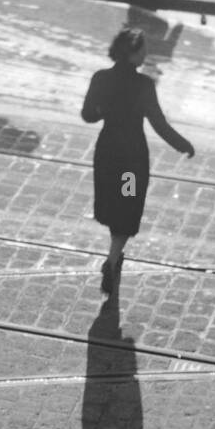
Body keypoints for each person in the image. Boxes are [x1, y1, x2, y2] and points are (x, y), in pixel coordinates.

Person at [81, 27, 194, 297]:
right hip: (131, 160)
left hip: (108, 154)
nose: (146, 53)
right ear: (133, 53)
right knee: (127, 205)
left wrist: (103, 109)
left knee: (113, 206)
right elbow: (158, 123)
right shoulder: (144, 85)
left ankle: (113, 257)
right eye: (142, 49)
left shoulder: (101, 78)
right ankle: (112, 260)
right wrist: (183, 145)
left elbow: (88, 115)